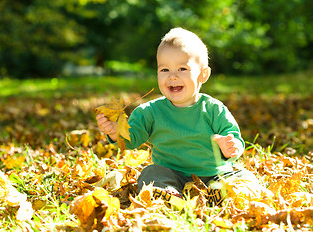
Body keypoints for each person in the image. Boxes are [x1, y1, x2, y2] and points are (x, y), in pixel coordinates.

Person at [96, 27, 258, 206]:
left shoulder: (214, 109)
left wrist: (231, 147)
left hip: (215, 174)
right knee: (150, 174)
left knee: (244, 177)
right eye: (164, 70)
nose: (172, 76)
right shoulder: (149, 112)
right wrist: (114, 132)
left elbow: (233, 136)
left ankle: (221, 195)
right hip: (171, 174)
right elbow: (131, 140)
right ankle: (170, 195)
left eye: (182, 69)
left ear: (203, 74)